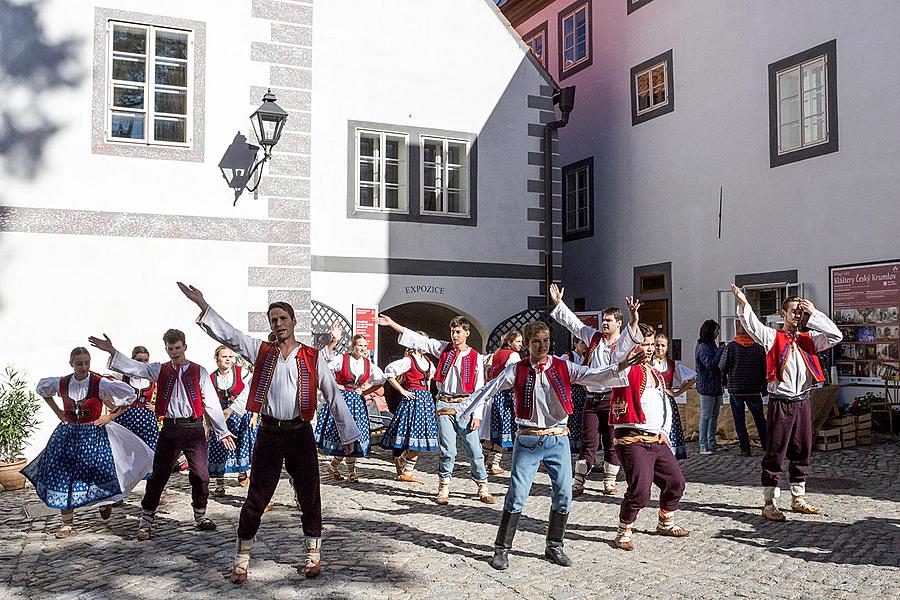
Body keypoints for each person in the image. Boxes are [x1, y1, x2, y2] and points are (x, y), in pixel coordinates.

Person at [180, 282, 359, 582]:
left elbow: (334, 395)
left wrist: (348, 435)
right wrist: (203, 305)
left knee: (309, 495)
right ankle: (241, 561)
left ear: (293, 321)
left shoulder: (314, 358)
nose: (278, 324)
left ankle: (313, 556)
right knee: (256, 497)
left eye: (283, 318)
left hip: (300, 433)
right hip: (269, 433)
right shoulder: (262, 351)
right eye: (273, 320)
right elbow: (231, 335)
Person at [458, 321, 644, 570]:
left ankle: (554, 545)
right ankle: (501, 549)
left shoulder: (563, 366)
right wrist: (463, 410)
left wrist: (621, 366)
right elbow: (489, 388)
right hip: (528, 439)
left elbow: (593, 376)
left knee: (564, 494)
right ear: (527, 344)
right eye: (537, 342)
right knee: (517, 495)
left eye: (545, 341)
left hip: (558, 438)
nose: (542, 346)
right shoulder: (517, 369)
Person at [89, 329, 236, 540]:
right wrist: (112, 350)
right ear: (165, 348)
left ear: (185, 346)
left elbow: (211, 403)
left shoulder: (199, 371)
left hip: (193, 428)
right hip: (170, 428)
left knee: (201, 475)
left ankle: (200, 515)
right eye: (170, 348)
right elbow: (136, 367)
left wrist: (222, 431)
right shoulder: (160, 370)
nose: (174, 352)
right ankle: (146, 519)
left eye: (177, 348)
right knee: (159, 475)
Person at [731, 285, 842, 521]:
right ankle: (769, 502)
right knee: (776, 450)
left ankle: (798, 497)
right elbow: (752, 325)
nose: (797, 316)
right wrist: (743, 303)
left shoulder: (809, 339)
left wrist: (814, 313)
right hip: (781, 402)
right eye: (793, 311)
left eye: (800, 313)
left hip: (802, 401)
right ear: (783, 313)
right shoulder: (773, 337)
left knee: (802, 448)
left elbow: (836, 335)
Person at [22, 347, 153, 538]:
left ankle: (104, 501)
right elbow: (42, 389)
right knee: (63, 476)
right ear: (71, 364)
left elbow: (129, 397)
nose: (83, 367)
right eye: (79, 363)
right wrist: (58, 412)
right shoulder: (63, 382)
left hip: (94, 434)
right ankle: (67, 524)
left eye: (86, 363)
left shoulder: (100, 383)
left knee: (99, 473)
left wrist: (110, 417)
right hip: (67, 435)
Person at [377, 313, 495, 505]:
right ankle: (444, 488)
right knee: (448, 450)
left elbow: (480, 390)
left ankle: (483, 486)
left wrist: (478, 415)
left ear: (467, 332)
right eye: (452, 331)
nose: (454, 335)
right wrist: (393, 324)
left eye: (458, 332)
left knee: (474, 449)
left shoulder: (476, 358)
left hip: (466, 406)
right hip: (445, 405)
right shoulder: (444, 349)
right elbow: (420, 340)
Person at [548, 284, 642, 497]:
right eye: (604, 320)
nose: (605, 323)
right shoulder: (594, 337)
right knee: (588, 440)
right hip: (592, 397)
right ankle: (579, 481)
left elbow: (633, 334)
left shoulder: (623, 341)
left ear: (619, 323)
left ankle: (609, 481)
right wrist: (558, 302)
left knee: (611, 441)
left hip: (613, 399)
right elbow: (574, 324)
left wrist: (634, 318)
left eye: (609, 320)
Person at [611, 324, 690, 551]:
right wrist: (633, 321)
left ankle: (665, 521)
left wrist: (664, 430)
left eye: (651, 345)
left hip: (656, 438)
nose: (648, 349)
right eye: (643, 344)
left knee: (676, 482)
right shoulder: (624, 370)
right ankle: (624, 530)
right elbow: (618, 354)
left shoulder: (656, 373)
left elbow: (664, 404)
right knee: (641, 491)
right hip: (632, 438)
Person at [318, 323, 385, 483]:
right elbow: (324, 365)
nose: (362, 348)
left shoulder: (368, 364)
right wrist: (333, 388)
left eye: (364, 346)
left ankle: (343, 469)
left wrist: (364, 391)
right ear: (353, 346)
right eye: (359, 345)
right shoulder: (342, 359)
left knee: (355, 436)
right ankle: (342, 469)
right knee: (343, 436)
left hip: (356, 402)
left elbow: (381, 381)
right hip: (341, 400)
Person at [380, 340, 439, 482]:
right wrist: (402, 390)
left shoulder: (428, 362)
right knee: (412, 435)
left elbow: (429, 381)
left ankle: (405, 466)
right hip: (413, 399)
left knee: (421, 437)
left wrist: (430, 397)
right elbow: (389, 372)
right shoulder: (408, 360)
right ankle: (406, 467)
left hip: (425, 400)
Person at [208, 345, 253, 496]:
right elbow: (207, 400)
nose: (228, 359)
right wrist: (208, 424)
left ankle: (242, 473)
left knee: (241, 445)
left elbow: (250, 391)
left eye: (230, 357)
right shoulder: (212, 378)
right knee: (218, 446)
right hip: (220, 415)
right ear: (216, 359)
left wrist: (249, 414)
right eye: (224, 356)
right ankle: (220, 484)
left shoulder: (242, 372)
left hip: (239, 414)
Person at [719, 321, 768, 456]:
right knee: (759, 418)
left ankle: (745, 448)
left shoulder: (731, 347)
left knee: (739, 420)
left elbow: (722, 366)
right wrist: (764, 387)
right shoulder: (758, 348)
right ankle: (766, 444)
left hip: (736, 388)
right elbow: (765, 369)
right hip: (754, 388)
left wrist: (726, 381)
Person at [114, 346, 160, 477]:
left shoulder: (153, 377)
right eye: (139, 360)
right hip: (126, 418)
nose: (142, 363)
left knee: (150, 450)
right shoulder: (122, 376)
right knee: (124, 452)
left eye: (146, 360)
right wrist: (115, 405)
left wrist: (156, 408)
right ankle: (123, 488)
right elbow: (104, 388)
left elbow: (168, 394)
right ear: (132, 360)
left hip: (146, 419)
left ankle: (151, 490)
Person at [482, 330, 523, 475]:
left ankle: (482, 461)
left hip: (492, 394)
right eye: (518, 341)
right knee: (503, 430)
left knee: (490, 432)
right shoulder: (513, 356)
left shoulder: (496, 354)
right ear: (510, 342)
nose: (521, 344)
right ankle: (494, 464)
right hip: (504, 395)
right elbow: (515, 376)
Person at [651, 333, 695, 461]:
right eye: (657, 345)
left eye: (662, 345)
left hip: (667, 402)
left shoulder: (671, 364)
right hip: (652, 401)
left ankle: (669, 458)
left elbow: (692, 378)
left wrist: (676, 393)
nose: (659, 348)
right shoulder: (648, 363)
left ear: (667, 348)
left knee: (669, 429)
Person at [695, 320, 725, 455]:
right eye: (716, 330)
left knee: (714, 416)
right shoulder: (703, 347)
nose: (718, 332)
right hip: (707, 386)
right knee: (706, 416)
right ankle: (703, 444)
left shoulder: (711, 345)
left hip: (715, 385)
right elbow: (710, 364)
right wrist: (720, 351)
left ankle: (712, 442)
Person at [561, 337, 589, 455]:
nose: (585, 346)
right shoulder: (567, 357)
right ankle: (569, 445)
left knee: (579, 419)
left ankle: (577, 446)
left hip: (581, 392)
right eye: (582, 343)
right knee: (571, 417)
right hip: (571, 391)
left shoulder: (584, 358)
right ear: (575, 343)